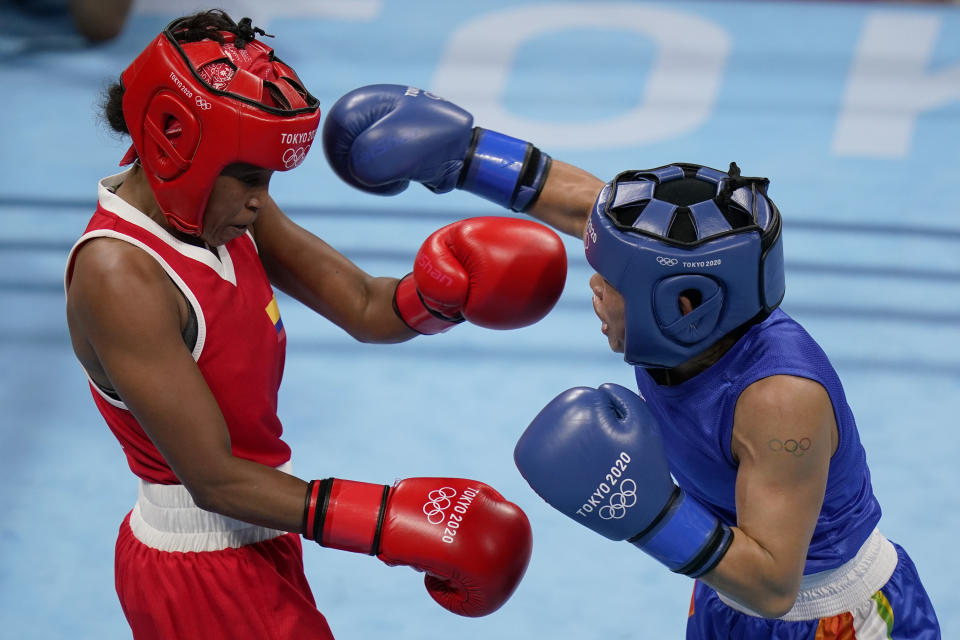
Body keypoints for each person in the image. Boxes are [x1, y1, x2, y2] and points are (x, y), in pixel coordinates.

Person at [320, 84, 941, 638]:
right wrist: (466, 155)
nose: (592, 287)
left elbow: (774, 586)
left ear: (681, 304)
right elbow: (574, 203)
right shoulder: (692, 298)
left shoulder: (780, 401)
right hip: (725, 585)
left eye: (609, 281)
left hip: (830, 617)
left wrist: (650, 516)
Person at [64, 13, 570, 640]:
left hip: (260, 531)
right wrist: (388, 521)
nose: (260, 198)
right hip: (199, 570)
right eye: (249, 177)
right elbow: (214, 478)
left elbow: (362, 304)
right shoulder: (119, 275)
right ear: (175, 141)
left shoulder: (221, 205)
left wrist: (442, 298)